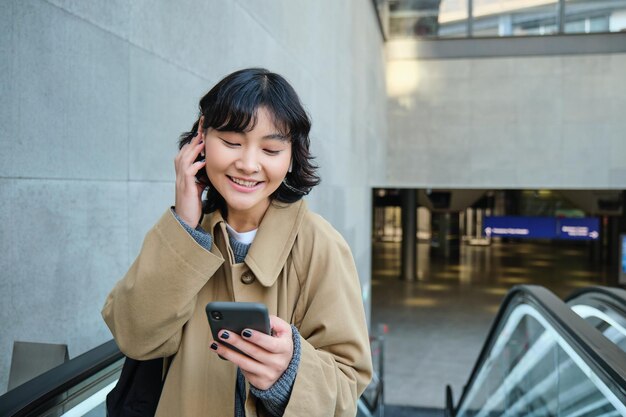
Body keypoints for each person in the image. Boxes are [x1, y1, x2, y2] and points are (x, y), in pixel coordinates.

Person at [102, 68, 372, 417]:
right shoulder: (184, 234)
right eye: (231, 142)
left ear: (292, 156)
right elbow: (134, 335)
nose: (247, 164)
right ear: (202, 135)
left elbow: (348, 386)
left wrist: (288, 375)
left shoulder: (321, 245)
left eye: (271, 149)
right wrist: (185, 225)